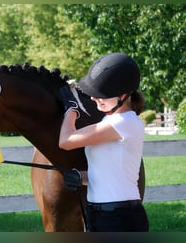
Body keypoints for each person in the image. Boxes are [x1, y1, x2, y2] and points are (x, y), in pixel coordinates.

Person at [59, 52, 149, 232]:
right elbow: (107, 175)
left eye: (101, 95)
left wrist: (71, 110)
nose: (93, 98)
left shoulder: (124, 123)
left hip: (120, 219)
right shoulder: (108, 122)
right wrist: (81, 177)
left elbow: (66, 141)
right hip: (99, 215)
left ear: (122, 96)